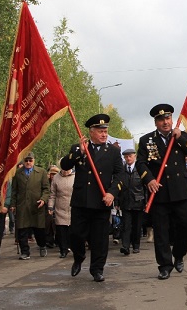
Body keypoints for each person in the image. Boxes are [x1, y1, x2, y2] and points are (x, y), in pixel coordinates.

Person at [137, 104, 187, 280]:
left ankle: (178, 254)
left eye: (168, 118)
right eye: (161, 119)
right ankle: (164, 265)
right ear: (155, 122)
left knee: (186, 225)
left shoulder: (181, 136)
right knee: (161, 231)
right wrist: (149, 179)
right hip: (160, 192)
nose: (165, 122)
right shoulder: (147, 140)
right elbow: (140, 163)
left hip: (181, 190)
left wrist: (180, 139)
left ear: (172, 119)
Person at [60, 113, 124, 282]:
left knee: (100, 239)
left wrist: (112, 192)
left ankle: (97, 269)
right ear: (91, 132)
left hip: (101, 201)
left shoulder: (113, 151)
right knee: (76, 235)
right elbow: (64, 165)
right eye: (100, 131)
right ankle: (78, 257)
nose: (104, 134)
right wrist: (80, 152)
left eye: (105, 131)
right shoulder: (79, 148)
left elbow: (120, 175)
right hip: (81, 201)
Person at [10, 151, 50, 260]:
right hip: (22, 206)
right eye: (26, 160)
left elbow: (46, 189)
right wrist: (13, 204)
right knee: (22, 230)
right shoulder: (18, 173)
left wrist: (43, 199)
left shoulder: (41, 172)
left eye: (30, 160)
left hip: (37, 206)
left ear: (34, 161)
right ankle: (25, 252)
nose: (28, 162)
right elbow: (14, 190)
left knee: (39, 230)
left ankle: (42, 246)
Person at [118, 149, 148, 255]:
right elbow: (118, 186)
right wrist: (117, 202)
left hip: (138, 201)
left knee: (137, 226)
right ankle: (125, 246)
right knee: (126, 225)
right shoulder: (122, 170)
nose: (128, 158)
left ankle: (136, 245)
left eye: (130, 156)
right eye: (126, 157)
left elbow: (146, 187)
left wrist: (146, 202)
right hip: (125, 201)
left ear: (135, 156)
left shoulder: (140, 169)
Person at [48, 167, 75, 258]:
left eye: (67, 169)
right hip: (60, 207)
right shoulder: (56, 178)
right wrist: (50, 206)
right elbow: (52, 194)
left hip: (73, 207)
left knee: (72, 230)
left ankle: (73, 248)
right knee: (61, 230)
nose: (65, 171)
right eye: (64, 169)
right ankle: (63, 250)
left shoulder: (76, 176)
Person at [44, 165, 60, 249]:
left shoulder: (60, 181)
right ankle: (49, 240)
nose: (53, 176)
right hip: (48, 205)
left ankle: (58, 240)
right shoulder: (46, 182)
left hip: (59, 205)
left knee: (57, 224)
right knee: (48, 224)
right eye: (52, 174)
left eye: (55, 174)